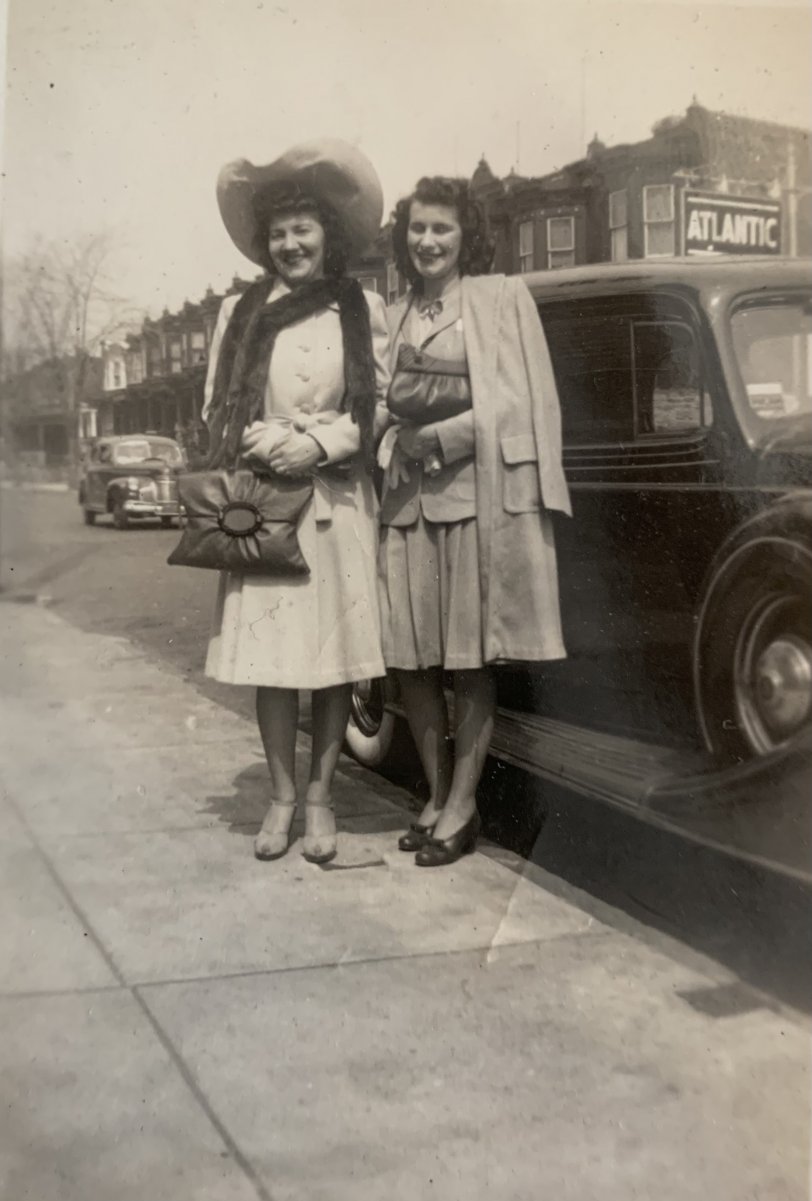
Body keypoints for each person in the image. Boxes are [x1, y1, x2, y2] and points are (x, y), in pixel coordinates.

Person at [202, 139, 389, 864]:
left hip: (336, 501)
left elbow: (378, 405)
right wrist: (262, 440)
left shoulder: (361, 305)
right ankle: (281, 795)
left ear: (327, 234)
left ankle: (321, 797)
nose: (290, 244)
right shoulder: (238, 312)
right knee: (274, 659)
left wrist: (323, 444)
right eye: (278, 233)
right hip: (264, 500)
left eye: (302, 229)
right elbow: (217, 406)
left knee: (335, 658)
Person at [378, 176, 572, 867]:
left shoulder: (499, 299)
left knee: (469, 658)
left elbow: (524, 403)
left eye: (442, 229)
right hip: (404, 511)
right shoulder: (394, 314)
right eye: (418, 229)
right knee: (411, 661)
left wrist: (445, 437)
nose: (427, 241)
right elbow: (375, 404)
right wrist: (389, 440)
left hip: (473, 504)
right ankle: (435, 795)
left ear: (467, 238)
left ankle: (463, 806)